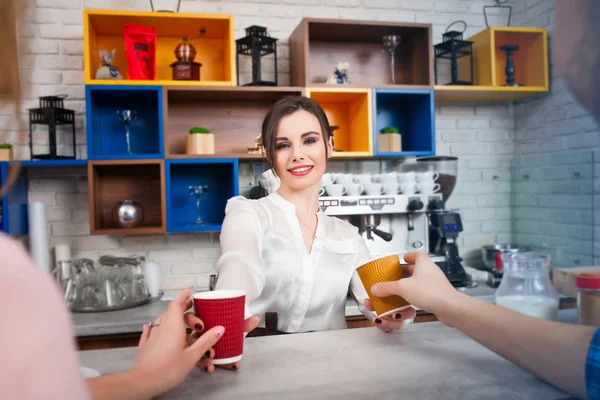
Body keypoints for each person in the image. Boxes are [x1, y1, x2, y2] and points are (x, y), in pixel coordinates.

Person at [211, 96, 416, 341]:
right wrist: (224, 317)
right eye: (282, 145)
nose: (297, 155)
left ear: (329, 146)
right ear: (270, 154)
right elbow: (239, 268)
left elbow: (380, 301)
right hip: (262, 366)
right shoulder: (248, 215)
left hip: (332, 368)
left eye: (309, 141)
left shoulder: (348, 234)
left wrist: (395, 315)